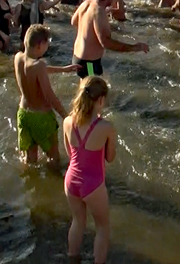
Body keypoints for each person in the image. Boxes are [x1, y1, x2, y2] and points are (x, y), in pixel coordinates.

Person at [63, 76, 116, 264]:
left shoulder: (67, 121)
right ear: (100, 100)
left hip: (71, 181)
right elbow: (110, 157)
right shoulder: (106, 127)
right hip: (93, 184)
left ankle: (72, 258)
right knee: (102, 227)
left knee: (77, 221)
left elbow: (70, 154)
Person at [14, 25, 78, 167]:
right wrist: (66, 116)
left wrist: (63, 69)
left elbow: (35, 70)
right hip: (41, 118)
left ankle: (30, 179)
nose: (47, 46)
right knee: (53, 158)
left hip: (24, 114)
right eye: (46, 43)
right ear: (39, 45)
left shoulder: (18, 58)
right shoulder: (39, 66)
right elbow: (50, 96)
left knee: (30, 159)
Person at [71, 0, 148, 79]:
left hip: (77, 57)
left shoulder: (86, 3)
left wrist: (89, 31)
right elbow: (106, 42)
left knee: (88, 86)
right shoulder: (99, 12)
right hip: (89, 62)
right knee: (94, 88)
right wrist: (134, 47)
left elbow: (73, 21)